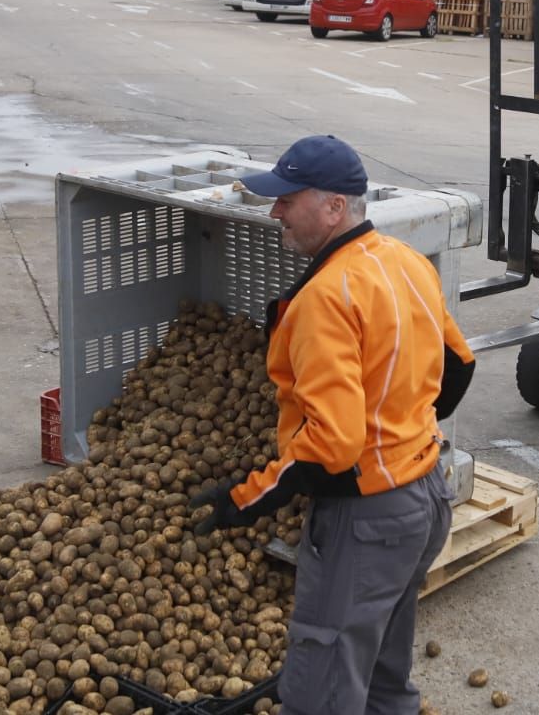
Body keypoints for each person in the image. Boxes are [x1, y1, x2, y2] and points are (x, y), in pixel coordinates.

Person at [190, 135, 477, 715]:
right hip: (425, 500)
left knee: (321, 688)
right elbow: (460, 365)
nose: (276, 213)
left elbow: (335, 445)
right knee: (382, 678)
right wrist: (400, 423)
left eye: (286, 201)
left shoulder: (325, 297)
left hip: (367, 520)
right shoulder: (407, 262)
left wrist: (246, 497)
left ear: (333, 208)